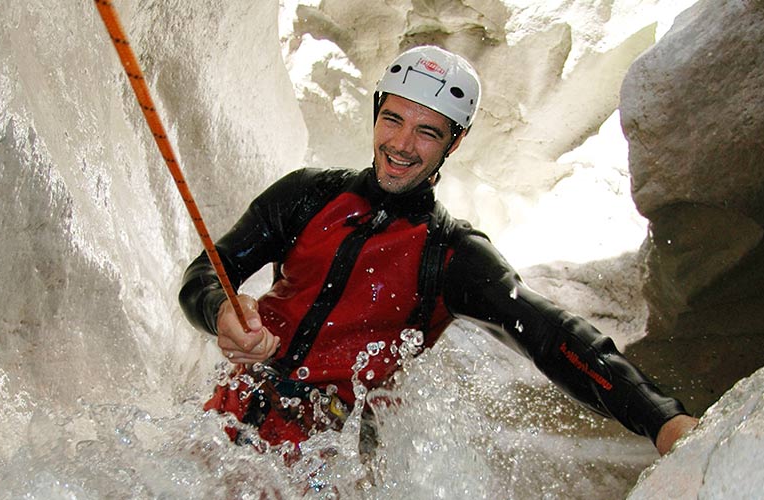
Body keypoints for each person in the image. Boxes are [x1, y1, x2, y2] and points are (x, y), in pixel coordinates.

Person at [178, 45, 698, 457]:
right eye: (394, 120)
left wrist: (660, 417)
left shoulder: (454, 257)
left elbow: (553, 335)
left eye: (427, 132)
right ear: (377, 111)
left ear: (455, 141)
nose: (402, 145)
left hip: (325, 456)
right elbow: (207, 271)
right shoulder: (306, 195)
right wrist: (218, 308)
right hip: (225, 420)